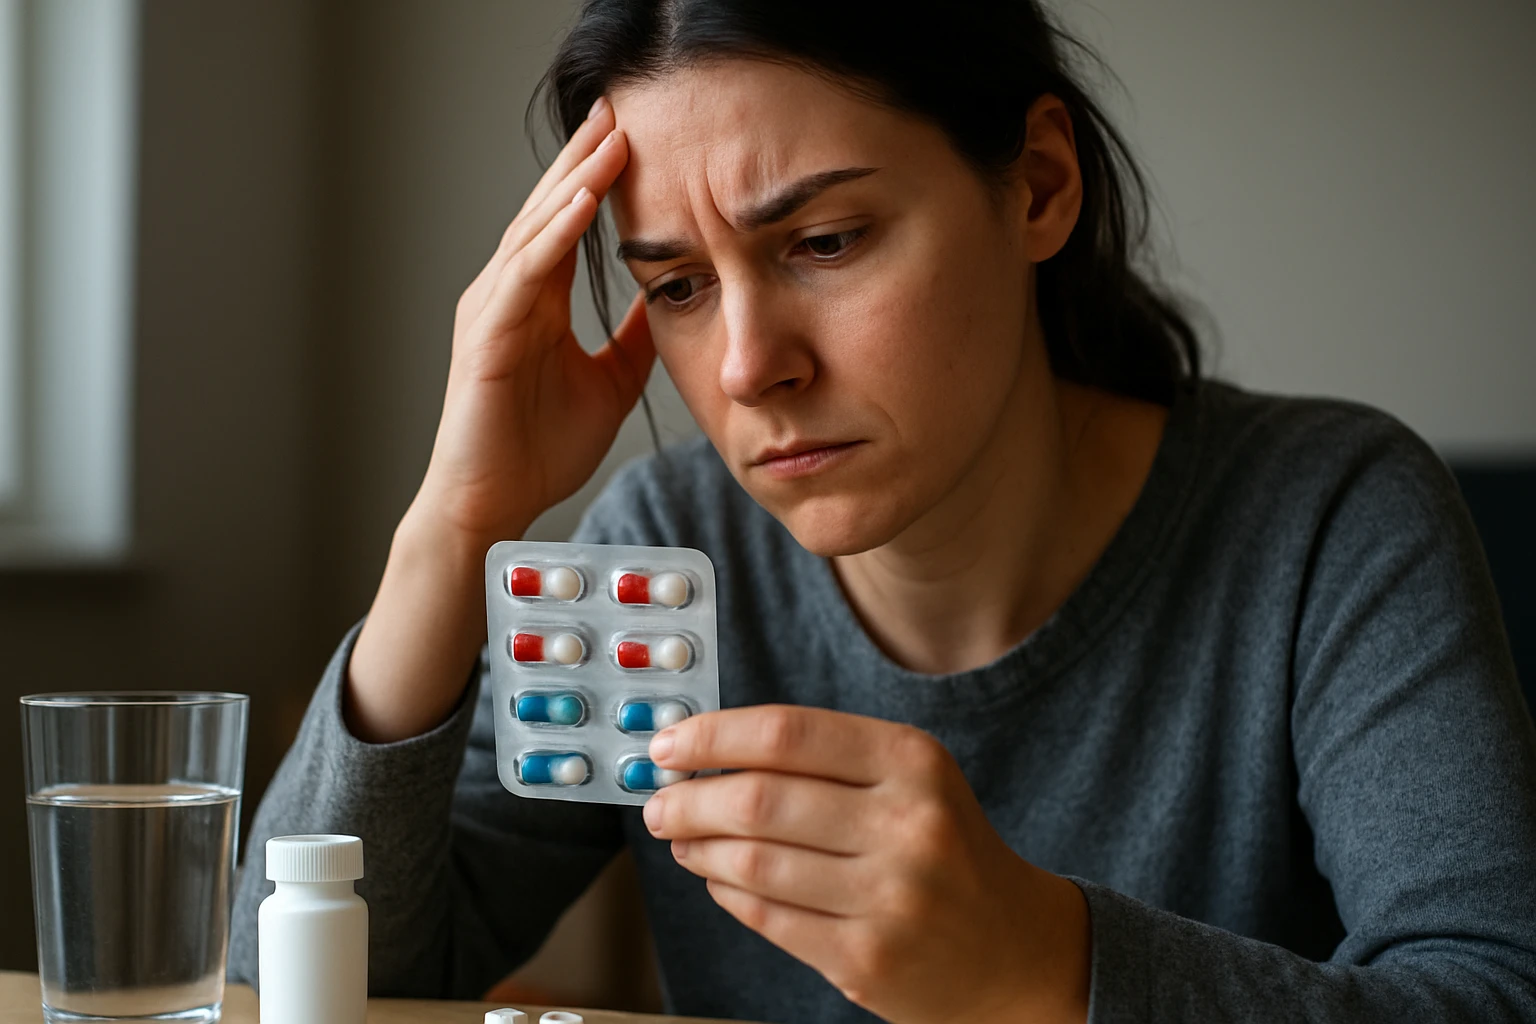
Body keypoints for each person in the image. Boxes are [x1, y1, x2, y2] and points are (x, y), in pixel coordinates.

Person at [228, 2, 1536, 1021]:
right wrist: (450, 525)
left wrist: (1043, 967)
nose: (749, 368)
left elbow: (1495, 992)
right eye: (678, 286)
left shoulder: (1330, 522)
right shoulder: (661, 552)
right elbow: (292, 982)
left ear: (1038, 185)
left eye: (825, 242)